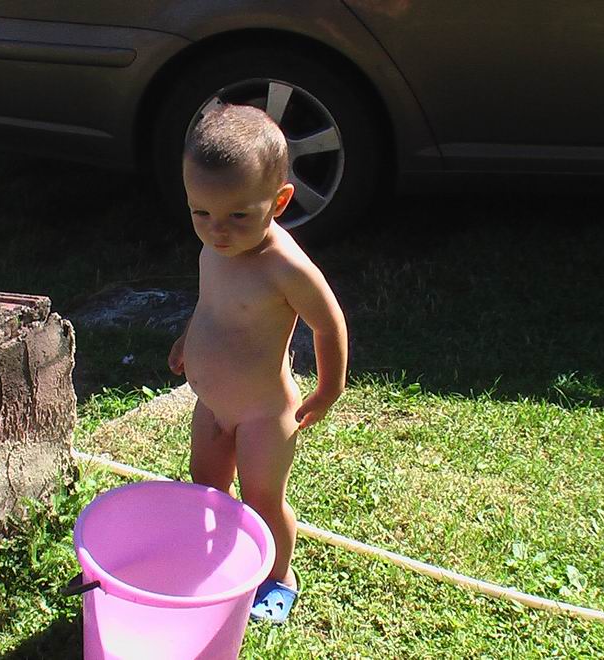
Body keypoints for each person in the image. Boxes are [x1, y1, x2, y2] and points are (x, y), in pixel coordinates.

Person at [168, 103, 348, 623]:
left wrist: (329, 388)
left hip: (264, 414)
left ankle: (279, 577)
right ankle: (223, 554)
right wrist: (187, 340)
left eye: (238, 216)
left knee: (264, 499)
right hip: (211, 403)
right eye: (200, 213)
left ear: (280, 200)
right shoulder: (215, 248)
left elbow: (328, 323)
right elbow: (211, 305)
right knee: (205, 484)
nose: (217, 230)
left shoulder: (284, 266)